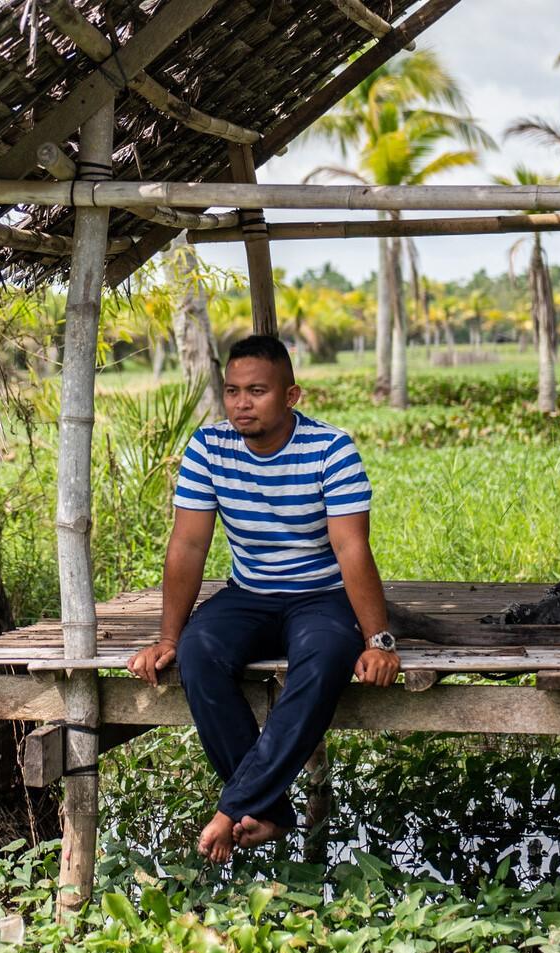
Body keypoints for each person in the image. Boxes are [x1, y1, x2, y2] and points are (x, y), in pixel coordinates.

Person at [125, 335, 401, 863]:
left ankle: (236, 808)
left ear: (291, 395)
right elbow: (187, 546)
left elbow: (351, 548)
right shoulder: (209, 448)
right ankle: (268, 809)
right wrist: (167, 637)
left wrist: (378, 640)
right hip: (248, 593)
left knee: (321, 664)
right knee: (199, 652)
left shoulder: (330, 449)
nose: (241, 404)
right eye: (232, 391)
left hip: (321, 596)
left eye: (257, 391)